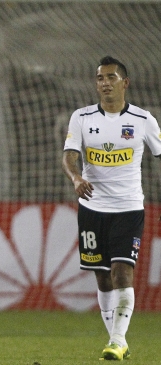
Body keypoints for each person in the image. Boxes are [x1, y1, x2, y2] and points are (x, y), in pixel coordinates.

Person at [62, 56, 161, 361]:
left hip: (129, 208)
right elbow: (69, 156)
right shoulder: (82, 117)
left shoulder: (144, 120)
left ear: (124, 83)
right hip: (92, 209)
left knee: (122, 273)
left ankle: (118, 340)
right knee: (102, 276)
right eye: (99, 78)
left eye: (110, 77)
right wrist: (76, 178)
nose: (104, 83)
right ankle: (116, 340)